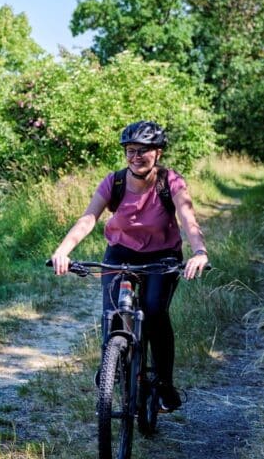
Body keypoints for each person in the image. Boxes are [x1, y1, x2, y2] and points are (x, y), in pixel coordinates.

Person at [49, 121, 209, 412]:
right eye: (130, 150)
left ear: (158, 153)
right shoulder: (115, 182)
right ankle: (112, 365)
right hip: (120, 252)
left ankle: (163, 384)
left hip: (161, 255)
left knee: (155, 312)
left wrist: (199, 251)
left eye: (143, 151)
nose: (136, 157)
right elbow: (89, 218)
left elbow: (187, 218)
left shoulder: (170, 181)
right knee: (112, 314)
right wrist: (63, 250)